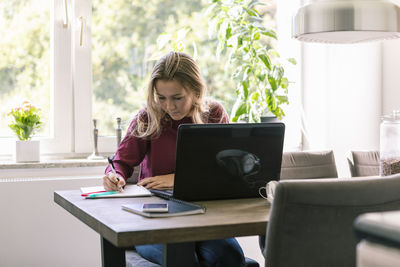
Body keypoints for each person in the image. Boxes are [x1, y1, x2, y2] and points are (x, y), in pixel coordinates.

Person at [103, 51, 246, 267]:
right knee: (182, 259)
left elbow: (225, 171)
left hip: (205, 217)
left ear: (196, 91)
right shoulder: (147, 118)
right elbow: (120, 162)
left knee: (231, 258)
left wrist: (177, 179)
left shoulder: (214, 114)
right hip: (154, 219)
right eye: (161, 98)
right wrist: (113, 175)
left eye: (177, 98)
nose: (169, 106)